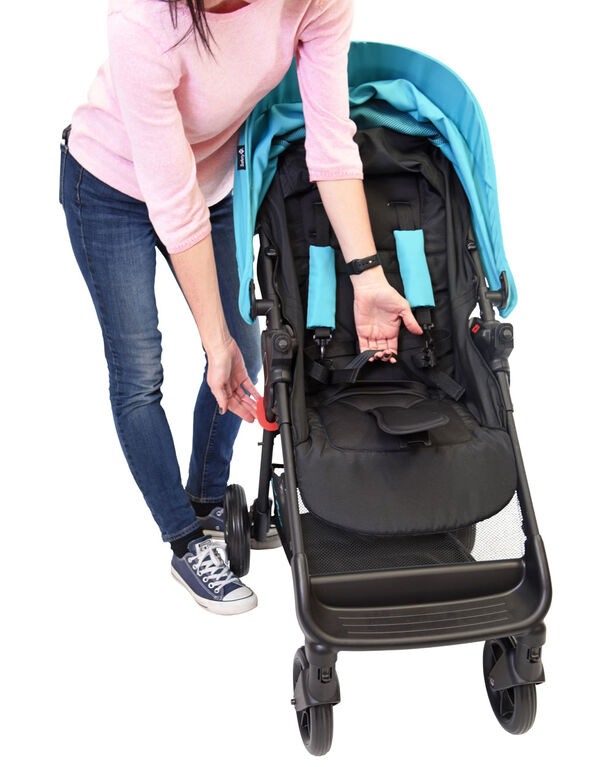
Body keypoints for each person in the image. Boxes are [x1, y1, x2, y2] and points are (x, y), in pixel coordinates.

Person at [58, 0, 422, 615]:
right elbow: (174, 207)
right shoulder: (144, 21)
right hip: (109, 186)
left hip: (213, 181)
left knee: (246, 346)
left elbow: (330, 144)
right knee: (141, 370)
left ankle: (206, 503)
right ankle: (184, 539)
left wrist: (367, 274)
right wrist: (213, 342)